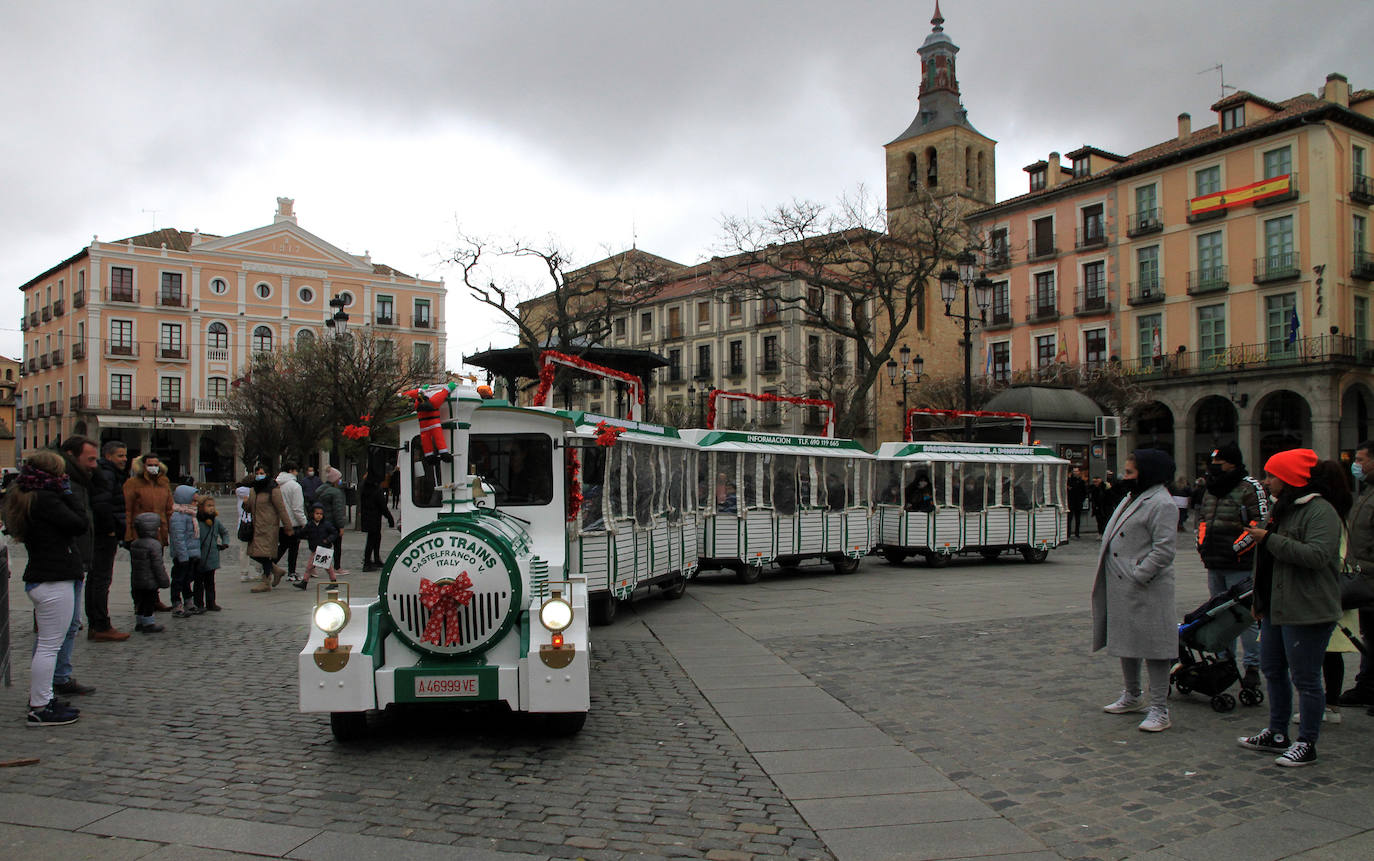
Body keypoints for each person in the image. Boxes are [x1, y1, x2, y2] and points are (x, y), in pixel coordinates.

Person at [1237, 448, 1343, 767]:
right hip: (1276, 607)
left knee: (1306, 678)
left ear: (1290, 478)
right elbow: (1265, 563)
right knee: (1272, 668)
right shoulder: (1280, 508)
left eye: (1272, 475)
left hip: (1307, 607)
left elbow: (1317, 556)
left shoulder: (1320, 510)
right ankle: (1277, 731)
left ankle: (1307, 741)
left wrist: (1269, 539)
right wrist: (1260, 600)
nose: (1267, 481)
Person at [1092, 448, 1178, 733]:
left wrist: (1140, 573)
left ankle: (1159, 708)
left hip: (1146, 588)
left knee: (1154, 647)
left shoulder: (1161, 503)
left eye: (1130, 472)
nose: (1123, 477)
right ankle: (1132, 694)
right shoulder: (1134, 497)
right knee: (1126, 642)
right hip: (1123, 584)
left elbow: (1164, 549)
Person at [6, 451, 88, 726]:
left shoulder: (29, 496)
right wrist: (67, 493)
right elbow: (79, 523)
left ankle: (43, 698)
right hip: (54, 577)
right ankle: (40, 706)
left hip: (44, 575)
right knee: (49, 646)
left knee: (48, 644)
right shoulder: (47, 498)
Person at [1195, 441, 1269, 691]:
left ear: (1232, 464)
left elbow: (1261, 522)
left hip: (1240, 563)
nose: (1214, 468)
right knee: (1217, 613)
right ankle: (1224, 661)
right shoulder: (1210, 489)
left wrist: (1236, 548)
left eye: (1219, 463)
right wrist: (1202, 544)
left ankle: (1252, 666)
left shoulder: (1250, 487)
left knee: (1245, 617)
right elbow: (1203, 518)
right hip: (1214, 561)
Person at [1339, 440, 1374, 710]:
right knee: (1370, 635)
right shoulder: (1367, 492)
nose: (1356, 464)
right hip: (1364, 580)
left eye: (1361, 460)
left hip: (1369, 575)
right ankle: (1367, 686)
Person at [88, 439, 131, 641]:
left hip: (104, 532)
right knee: (101, 579)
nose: (124, 459)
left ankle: (97, 623)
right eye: (120, 455)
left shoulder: (109, 473)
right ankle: (100, 624)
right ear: (108, 457)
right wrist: (110, 530)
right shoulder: (107, 474)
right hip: (104, 535)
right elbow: (102, 504)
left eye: (125, 455)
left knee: (97, 579)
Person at [244, 466, 293, 593]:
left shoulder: (272, 488)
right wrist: (245, 504)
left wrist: (288, 526)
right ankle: (276, 570)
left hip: (268, 527)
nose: (259, 475)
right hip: (256, 526)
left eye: (262, 473)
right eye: (257, 473)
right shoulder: (254, 489)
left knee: (263, 554)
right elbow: (250, 507)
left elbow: (281, 509)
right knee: (253, 552)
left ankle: (266, 581)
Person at [129, 512, 169, 633]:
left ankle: (140, 622)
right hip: (150, 581)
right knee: (149, 602)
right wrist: (164, 580)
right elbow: (158, 565)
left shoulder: (134, 543)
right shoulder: (154, 545)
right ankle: (148, 623)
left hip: (137, 580)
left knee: (140, 602)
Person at [168, 484, 201, 617]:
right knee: (178, 579)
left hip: (190, 554)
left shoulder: (191, 514)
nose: (196, 503)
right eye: (193, 500)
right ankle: (176, 604)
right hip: (182, 556)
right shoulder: (178, 516)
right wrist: (183, 556)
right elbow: (178, 538)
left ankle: (188, 601)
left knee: (187, 579)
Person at [195, 496, 230, 612]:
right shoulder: (197, 521)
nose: (211, 508)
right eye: (208, 506)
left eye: (212, 505)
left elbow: (224, 532)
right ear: (201, 507)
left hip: (212, 556)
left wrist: (225, 543)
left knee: (210, 582)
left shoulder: (216, 521)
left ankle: (211, 603)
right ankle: (198, 603)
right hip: (199, 556)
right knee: (198, 582)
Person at [293, 503, 338, 588]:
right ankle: (305, 582)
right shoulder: (310, 525)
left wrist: (328, 540)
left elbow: (334, 533)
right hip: (315, 549)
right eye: (317, 513)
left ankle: (332, 581)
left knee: (326, 567)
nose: (319, 516)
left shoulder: (326, 525)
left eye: (321, 514)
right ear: (312, 514)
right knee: (311, 567)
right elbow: (303, 532)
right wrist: (296, 534)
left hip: (323, 549)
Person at [274, 465, 307, 581]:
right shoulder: (295, 486)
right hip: (293, 522)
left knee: (282, 546)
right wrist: (304, 522)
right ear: (291, 471)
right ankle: (291, 572)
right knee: (293, 549)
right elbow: (297, 508)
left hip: (278, 522)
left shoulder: (276, 485)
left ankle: (269, 566)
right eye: (296, 470)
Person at [317, 466, 349, 577]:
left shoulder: (320, 489)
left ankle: (316, 566)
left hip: (323, 521)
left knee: (324, 545)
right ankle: (337, 567)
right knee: (337, 546)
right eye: (339, 478)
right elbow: (338, 510)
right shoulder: (336, 492)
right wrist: (341, 526)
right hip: (333, 523)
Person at [359, 471, 394, 571]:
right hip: (374, 517)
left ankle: (374, 559)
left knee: (373, 538)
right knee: (373, 539)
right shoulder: (376, 490)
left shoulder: (365, 488)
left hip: (367, 517)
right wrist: (390, 518)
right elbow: (382, 506)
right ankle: (368, 562)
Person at [235, 479, 254, 582]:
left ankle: (244, 572)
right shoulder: (253, 492)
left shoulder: (239, 492)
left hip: (242, 525)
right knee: (257, 549)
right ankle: (260, 571)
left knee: (243, 550)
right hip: (253, 524)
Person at [1066, 467, 1087, 538]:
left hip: (1078, 502)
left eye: (1076, 471)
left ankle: (1077, 533)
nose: (1075, 473)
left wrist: (1081, 500)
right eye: (1074, 471)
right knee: (1069, 518)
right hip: (1070, 502)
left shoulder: (1081, 481)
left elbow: (1084, 492)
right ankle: (1068, 533)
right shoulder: (1069, 480)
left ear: (1079, 472)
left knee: (1078, 519)